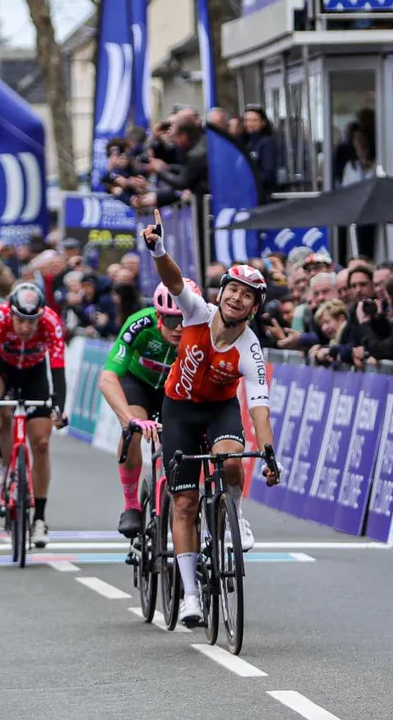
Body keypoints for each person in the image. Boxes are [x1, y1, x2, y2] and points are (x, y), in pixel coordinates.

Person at [140, 209, 280, 627]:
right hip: (179, 407)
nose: (237, 298)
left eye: (247, 296)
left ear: (254, 308)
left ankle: (234, 514)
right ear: (222, 293)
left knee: (232, 460)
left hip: (219, 409)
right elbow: (173, 280)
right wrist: (159, 249)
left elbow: (258, 405)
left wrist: (269, 452)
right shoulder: (197, 312)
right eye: (233, 290)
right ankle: (191, 597)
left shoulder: (250, 348)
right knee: (183, 501)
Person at [0, 283, 68, 549]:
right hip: (3, 370)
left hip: (34, 374)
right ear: (10, 312)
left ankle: (39, 518)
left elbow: (59, 369)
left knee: (40, 443)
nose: (26, 328)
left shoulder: (51, 322)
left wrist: (58, 406)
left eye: (32, 321)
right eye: (20, 320)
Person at [99, 279, 193, 538]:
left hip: (173, 390)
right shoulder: (140, 324)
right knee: (133, 432)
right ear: (159, 317)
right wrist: (129, 419)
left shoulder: (200, 329)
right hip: (137, 382)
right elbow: (108, 378)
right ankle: (131, 504)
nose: (178, 328)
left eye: (184, 320)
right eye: (172, 321)